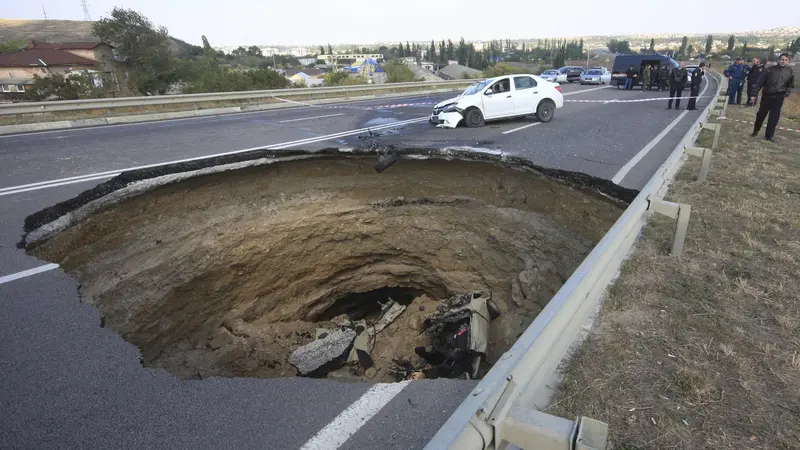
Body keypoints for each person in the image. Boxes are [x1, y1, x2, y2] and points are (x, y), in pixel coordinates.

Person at [750, 53, 794, 142]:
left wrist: (786, 94)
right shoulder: (770, 70)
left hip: (779, 97)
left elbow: (791, 85)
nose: (783, 61)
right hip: (767, 96)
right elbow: (760, 83)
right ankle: (755, 131)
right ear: (779, 59)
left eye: (786, 60)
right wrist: (754, 94)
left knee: (774, 118)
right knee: (760, 115)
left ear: (788, 61)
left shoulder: (790, 71)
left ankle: (769, 136)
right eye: (782, 59)